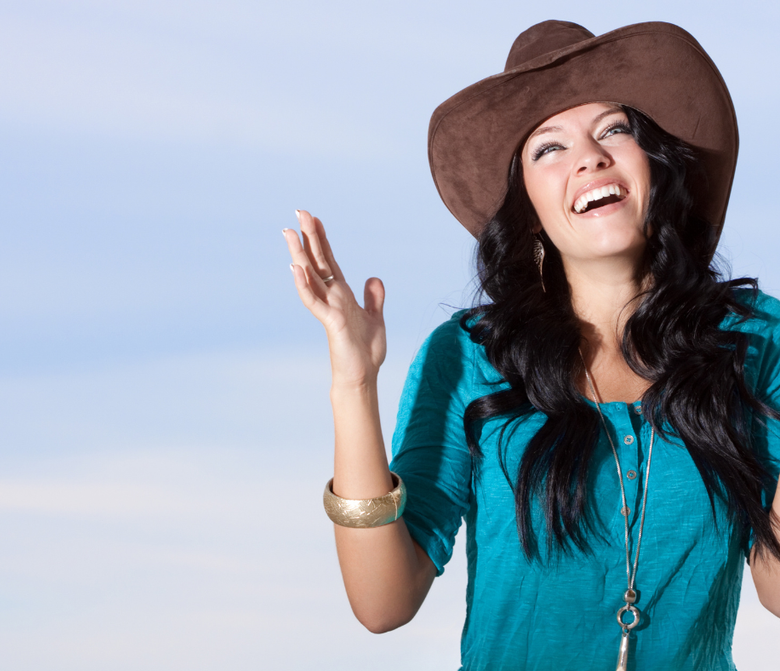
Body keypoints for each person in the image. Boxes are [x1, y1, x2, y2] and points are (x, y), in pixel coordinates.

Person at [284, 20, 780, 670]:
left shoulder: (757, 339)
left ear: (654, 168)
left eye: (614, 129)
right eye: (549, 148)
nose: (589, 157)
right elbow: (383, 602)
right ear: (531, 212)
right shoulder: (466, 354)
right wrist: (352, 380)